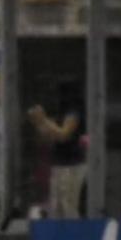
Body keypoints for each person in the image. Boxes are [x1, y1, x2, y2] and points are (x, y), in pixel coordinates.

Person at [27, 80, 85, 218]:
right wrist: (38, 122)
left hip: (72, 164)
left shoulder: (74, 111)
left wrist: (43, 119)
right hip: (59, 163)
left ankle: (73, 237)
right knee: (57, 207)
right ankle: (58, 236)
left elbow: (64, 135)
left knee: (68, 206)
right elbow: (48, 137)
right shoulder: (61, 111)